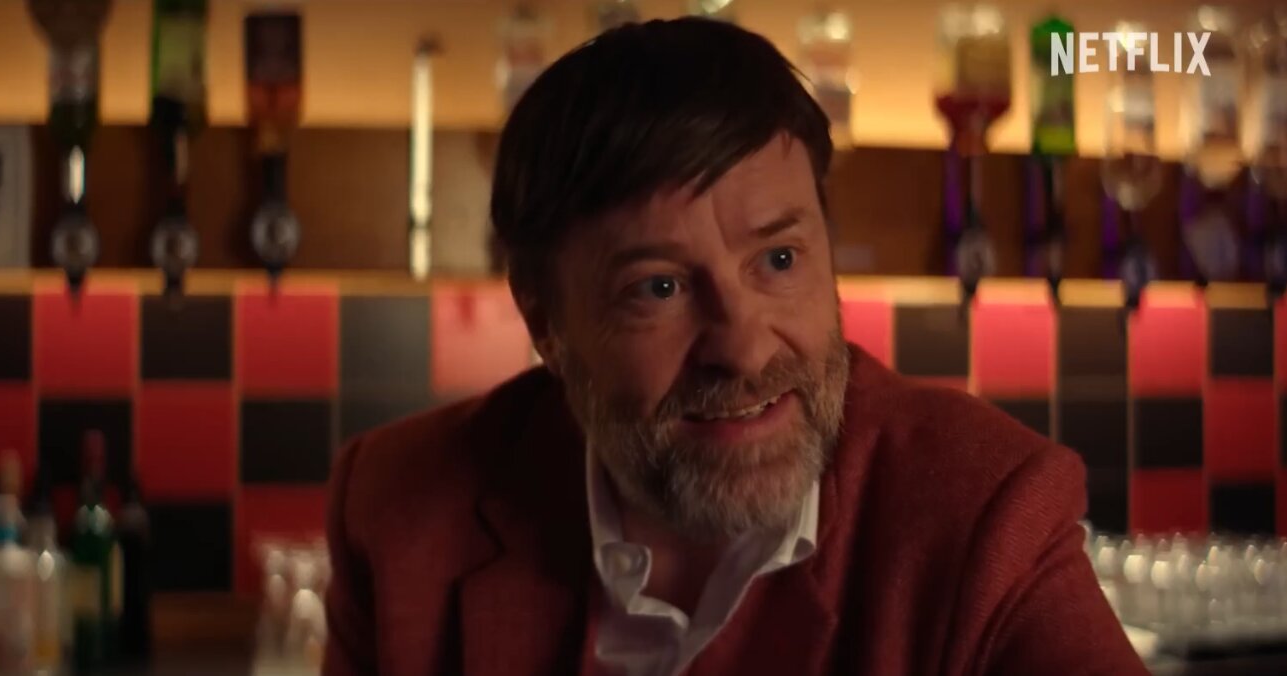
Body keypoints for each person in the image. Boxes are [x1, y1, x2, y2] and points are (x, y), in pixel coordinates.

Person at [321, 18, 1146, 676]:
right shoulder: (400, 509)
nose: (744, 350)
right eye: (658, 288)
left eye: (779, 260)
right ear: (545, 323)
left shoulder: (985, 509)